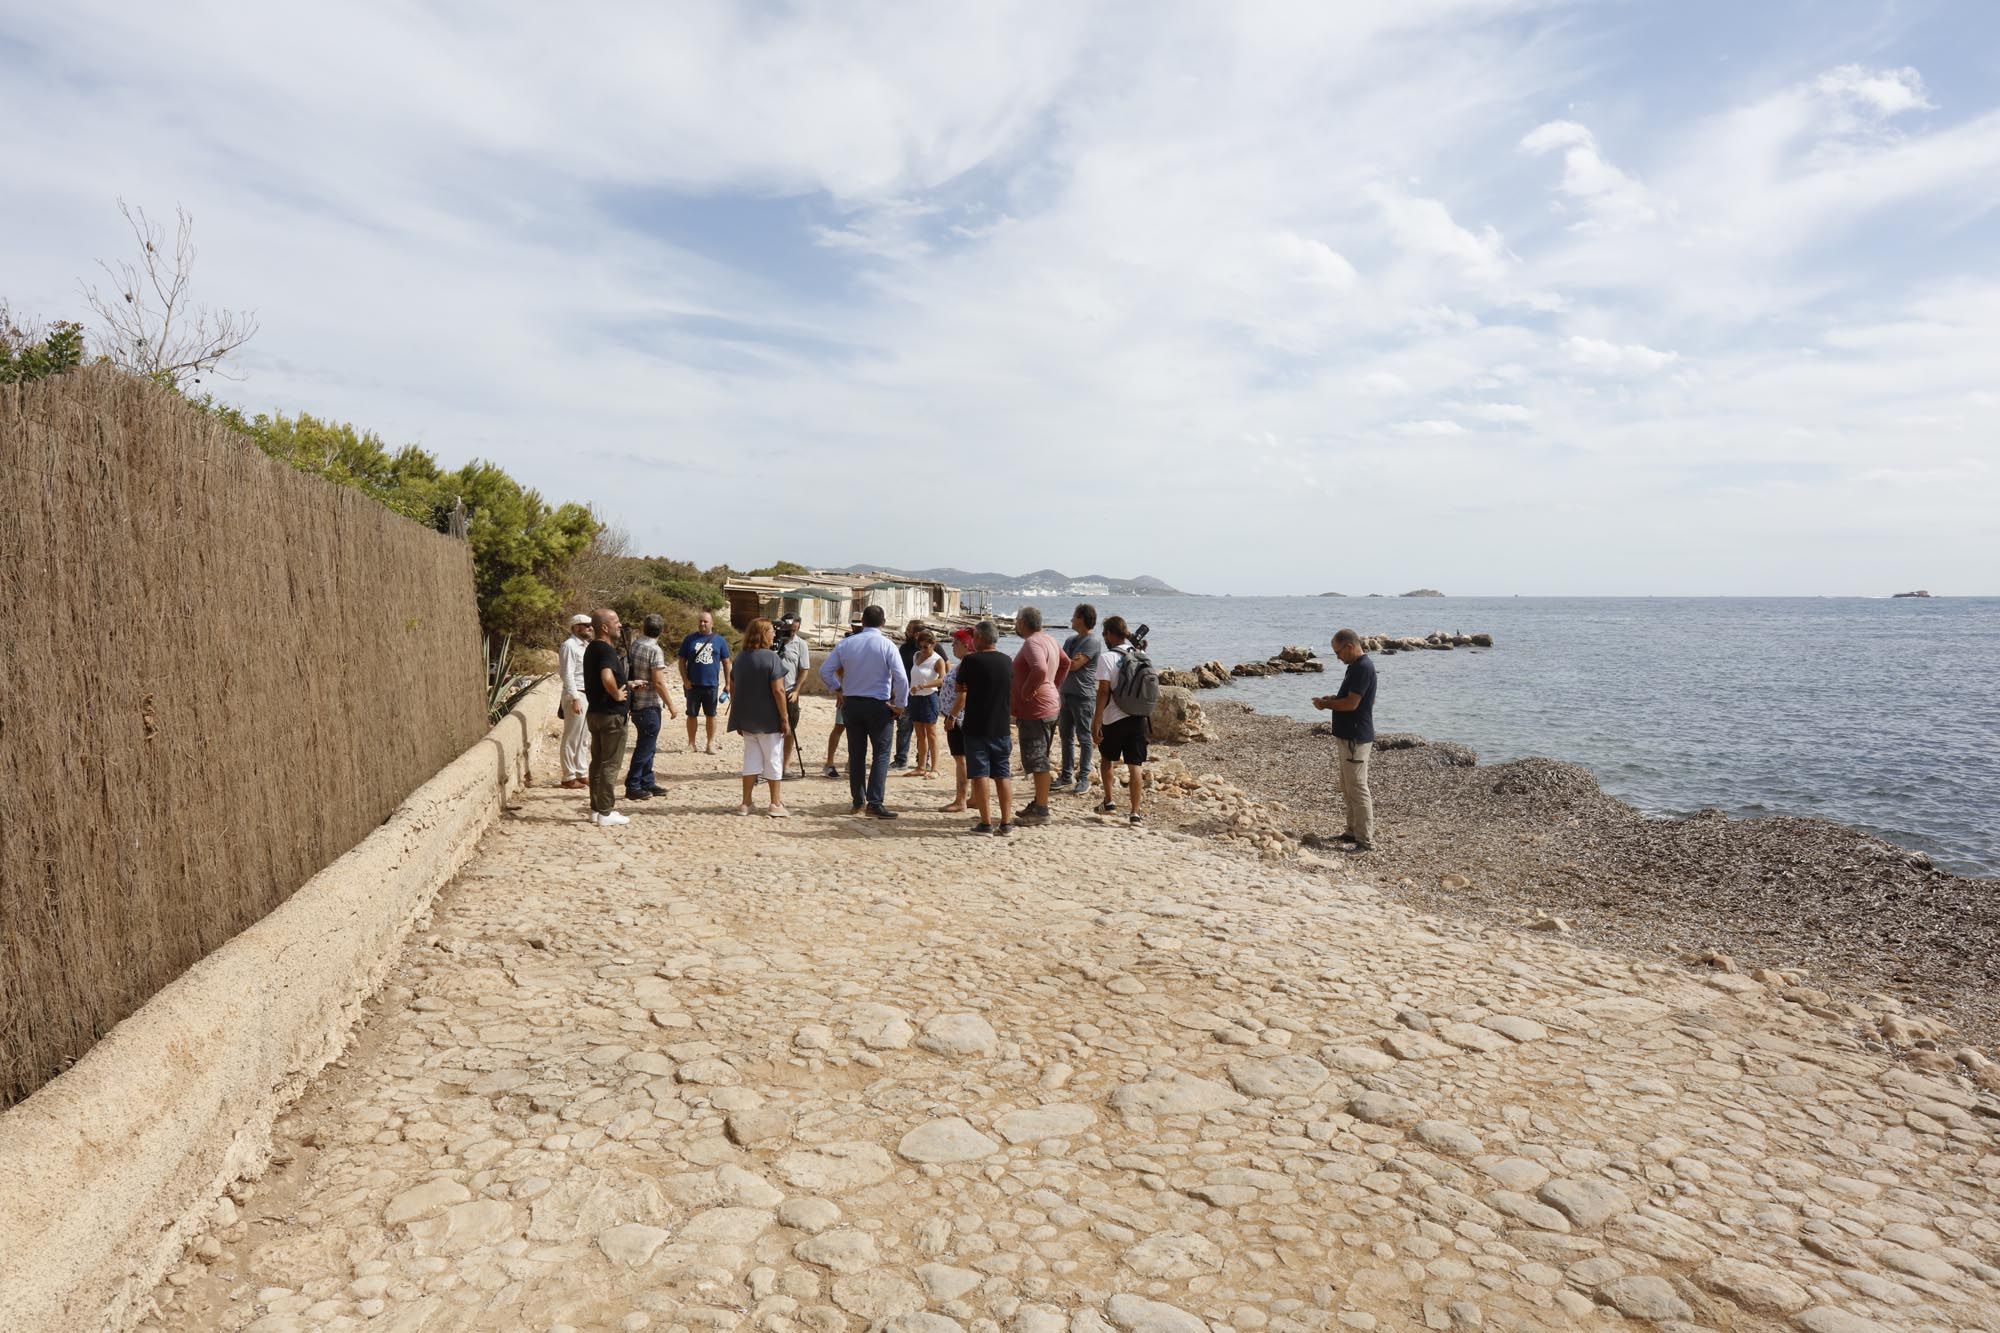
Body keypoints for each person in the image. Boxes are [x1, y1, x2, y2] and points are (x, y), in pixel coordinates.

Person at [817, 605, 910, 818]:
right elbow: (901, 678)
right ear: (883, 622)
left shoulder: (847, 644)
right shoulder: (887, 645)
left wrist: (838, 689)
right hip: (878, 704)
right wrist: (901, 705)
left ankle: (858, 801)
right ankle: (875, 803)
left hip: (852, 703)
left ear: (863, 622)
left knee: (856, 754)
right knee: (881, 754)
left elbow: (825, 670)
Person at [1312, 627, 1378, 852]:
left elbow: (1352, 704)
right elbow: (1356, 699)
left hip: (1355, 737)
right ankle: (1352, 831)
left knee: (1358, 788)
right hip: (1349, 735)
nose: (1338, 657)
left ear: (1349, 646)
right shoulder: (1356, 668)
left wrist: (1326, 704)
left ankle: (1365, 840)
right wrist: (1334, 699)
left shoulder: (1362, 668)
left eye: (1338, 652)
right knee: (1348, 786)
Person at [950, 620, 1016, 835]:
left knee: (980, 774)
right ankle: (1006, 822)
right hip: (1001, 726)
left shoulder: (971, 661)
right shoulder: (1008, 661)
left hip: (976, 725)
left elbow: (959, 687)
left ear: (979, 638)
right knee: (1002, 775)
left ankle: (986, 822)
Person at [1009, 605, 1069, 826]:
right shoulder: (1049, 640)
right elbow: (1066, 663)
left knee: (1037, 759)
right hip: (1049, 705)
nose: (1016, 624)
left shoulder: (1032, 642)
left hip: (1036, 709)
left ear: (1023, 623)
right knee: (1039, 755)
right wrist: (1054, 686)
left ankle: (1042, 811)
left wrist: (1027, 691)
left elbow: (1040, 669)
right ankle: (1038, 802)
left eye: (1017, 620)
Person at [729, 618, 795, 817]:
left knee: (751, 759)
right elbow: (779, 690)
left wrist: (737, 715)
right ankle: (775, 803)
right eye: (771, 631)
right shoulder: (771, 658)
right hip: (768, 719)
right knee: (773, 758)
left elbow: (733, 689)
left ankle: (746, 803)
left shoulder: (740, 658)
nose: (774, 634)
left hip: (747, 718)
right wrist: (784, 718)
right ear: (763, 634)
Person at [1092, 615, 1148, 824]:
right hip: (1138, 717)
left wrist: (1096, 722)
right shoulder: (1139, 653)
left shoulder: (1106, 658)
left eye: (1104, 634)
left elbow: (1103, 692)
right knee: (1136, 765)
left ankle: (1109, 801)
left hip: (1113, 718)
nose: (1104, 638)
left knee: (1107, 759)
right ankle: (1135, 813)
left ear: (1110, 633)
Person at [582, 608, 632, 826]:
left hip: (595, 713)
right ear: (604, 627)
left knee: (597, 762)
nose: (620, 625)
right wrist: (617, 693)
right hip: (611, 716)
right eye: (616, 621)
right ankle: (605, 811)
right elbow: (606, 676)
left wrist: (628, 685)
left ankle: (595, 809)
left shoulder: (591, 649)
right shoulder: (606, 650)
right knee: (610, 764)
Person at [624, 613, 678, 802]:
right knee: (645, 747)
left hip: (636, 702)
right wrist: (671, 705)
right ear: (662, 630)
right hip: (649, 703)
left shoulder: (636, 645)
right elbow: (659, 681)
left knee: (649, 745)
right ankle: (633, 784)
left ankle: (647, 781)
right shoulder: (655, 650)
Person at [1056, 603, 1104, 796]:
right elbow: (1064, 663)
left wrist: (1066, 661)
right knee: (1065, 736)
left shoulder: (1092, 642)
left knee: (1084, 738)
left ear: (1082, 619)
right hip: (1066, 694)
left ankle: (1084, 778)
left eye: (1074, 616)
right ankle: (1066, 775)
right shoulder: (1070, 640)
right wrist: (1067, 661)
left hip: (1083, 697)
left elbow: (1073, 665)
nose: (1071, 619)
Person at [678, 610, 733, 755]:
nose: (702, 624)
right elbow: (682, 661)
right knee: (691, 714)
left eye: (705, 621)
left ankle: (710, 744)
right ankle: (691, 744)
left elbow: (727, 662)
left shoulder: (719, 640)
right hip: (693, 685)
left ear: (712, 624)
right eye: (700, 621)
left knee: (711, 715)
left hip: (711, 685)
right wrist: (685, 680)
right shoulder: (689, 639)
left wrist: (728, 684)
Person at [936, 628, 975, 813]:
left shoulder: (967, 664)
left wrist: (951, 716)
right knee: (968, 758)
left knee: (961, 759)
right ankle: (973, 796)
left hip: (959, 718)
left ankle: (961, 800)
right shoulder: (965, 663)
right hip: (960, 716)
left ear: (966, 645)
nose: (952, 646)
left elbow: (963, 695)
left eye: (956, 643)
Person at [558, 613, 593, 789]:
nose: (590, 628)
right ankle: (568, 775)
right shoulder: (569, 646)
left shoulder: (585, 646)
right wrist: (574, 698)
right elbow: (567, 673)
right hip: (576, 693)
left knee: (583, 736)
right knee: (572, 735)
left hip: (586, 693)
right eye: (586, 625)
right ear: (576, 627)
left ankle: (581, 771)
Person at [905, 629, 946, 777]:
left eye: (926, 647)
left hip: (929, 697)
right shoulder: (917, 656)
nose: (923, 650)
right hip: (915, 698)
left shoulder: (937, 660)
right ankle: (921, 766)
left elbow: (942, 679)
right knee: (919, 734)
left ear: (933, 644)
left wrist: (924, 685)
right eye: (920, 646)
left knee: (931, 733)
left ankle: (935, 768)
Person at [776, 614, 812, 766]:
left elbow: (804, 670)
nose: (791, 633)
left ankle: (785, 764)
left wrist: (796, 690)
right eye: (789, 629)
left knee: (790, 729)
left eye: (794, 630)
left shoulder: (800, 644)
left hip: (789, 691)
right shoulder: (773, 642)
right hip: (771, 692)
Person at [891, 618, 926, 770]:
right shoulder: (904, 648)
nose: (906, 632)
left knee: (923, 729)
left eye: (909, 630)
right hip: (906, 694)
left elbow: (943, 664)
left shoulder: (930, 648)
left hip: (924, 695)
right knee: (904, 728)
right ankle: (901, 760)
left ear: (917, 633)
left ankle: (923, 760)